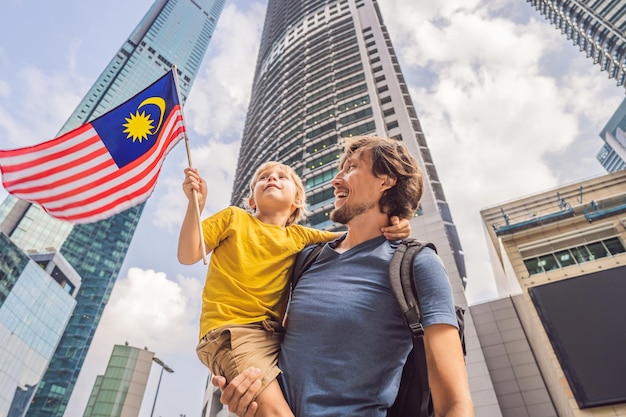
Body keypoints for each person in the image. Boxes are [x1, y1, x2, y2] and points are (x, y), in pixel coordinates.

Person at [213, 136, 474, 417]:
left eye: (351, 168)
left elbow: (454, 403)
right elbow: (275, 344)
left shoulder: (416, 264)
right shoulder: (306, 258)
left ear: (386, 180)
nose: (336, 180)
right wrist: (246, 391)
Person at [177, 160, 411, 417]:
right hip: (232, 332)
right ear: (252, 201)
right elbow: (189, 254)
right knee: (276, 411)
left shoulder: (300, 237)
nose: (272, 179)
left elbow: (356, 236)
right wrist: (195, 206)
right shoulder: (234, 217)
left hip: (276, 336)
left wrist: (395, 226)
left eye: (281, 177)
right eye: (264, 177)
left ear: (297, 201)